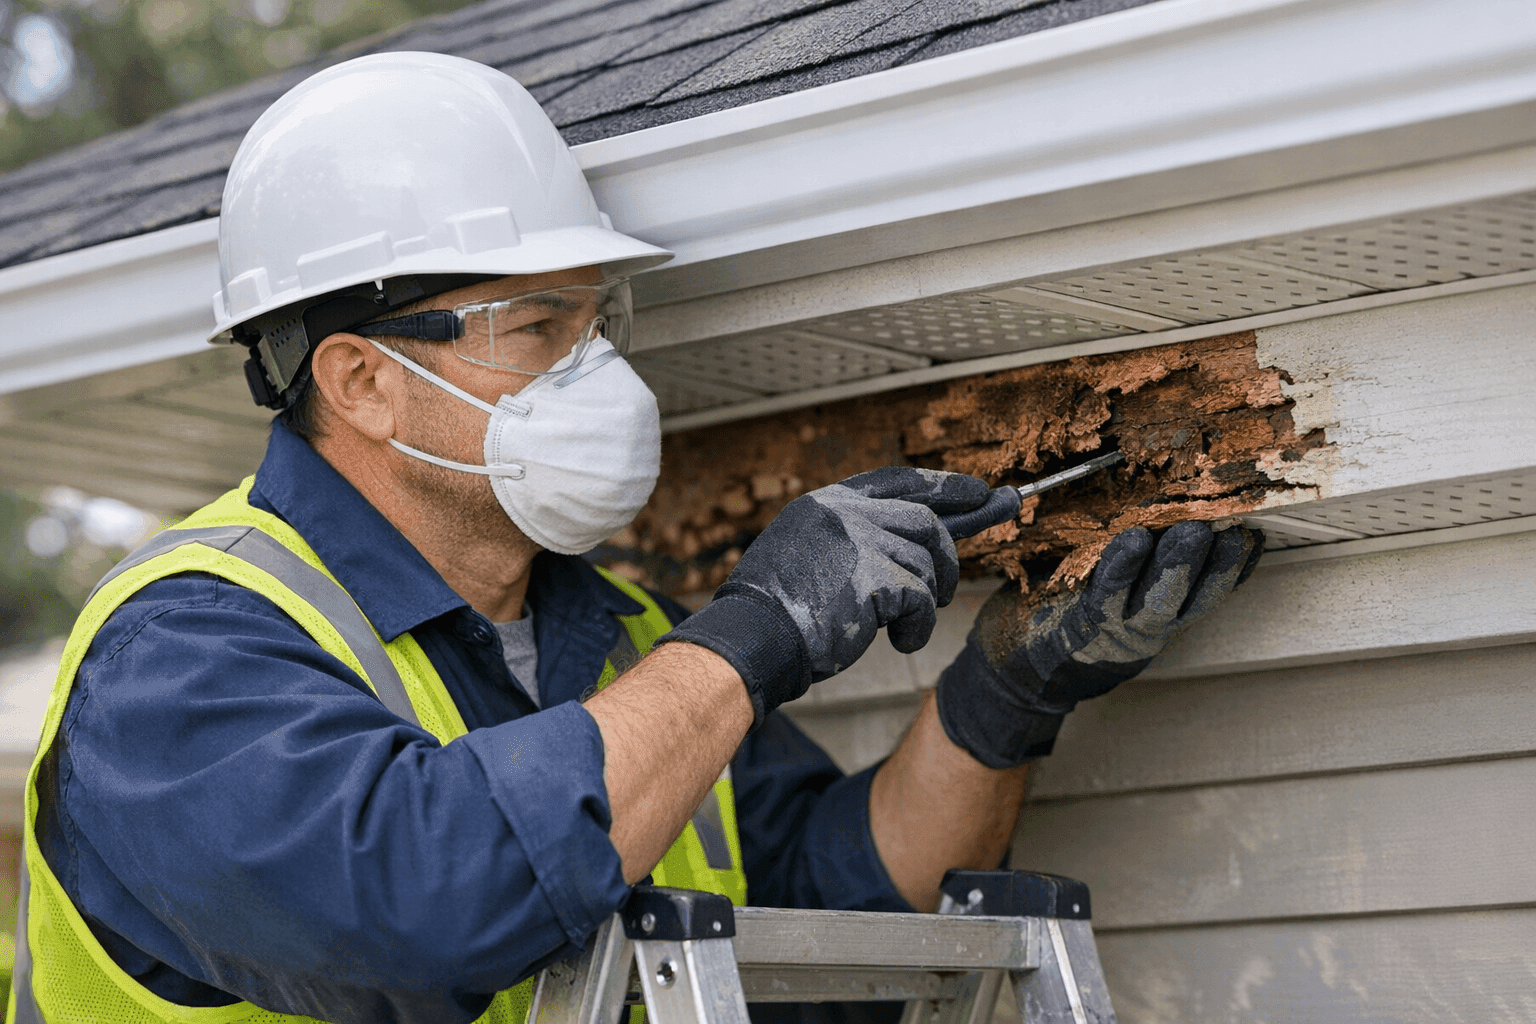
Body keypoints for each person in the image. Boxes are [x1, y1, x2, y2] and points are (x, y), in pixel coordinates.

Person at [10, 52, 1263, 1024]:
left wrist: (1004, 694)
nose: (595, 370)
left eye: (599, 320)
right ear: (362, 381)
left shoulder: (622, 651)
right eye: (537, 327)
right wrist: (755, 634)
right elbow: (423, 897)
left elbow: (836, 922)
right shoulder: (184, 651)